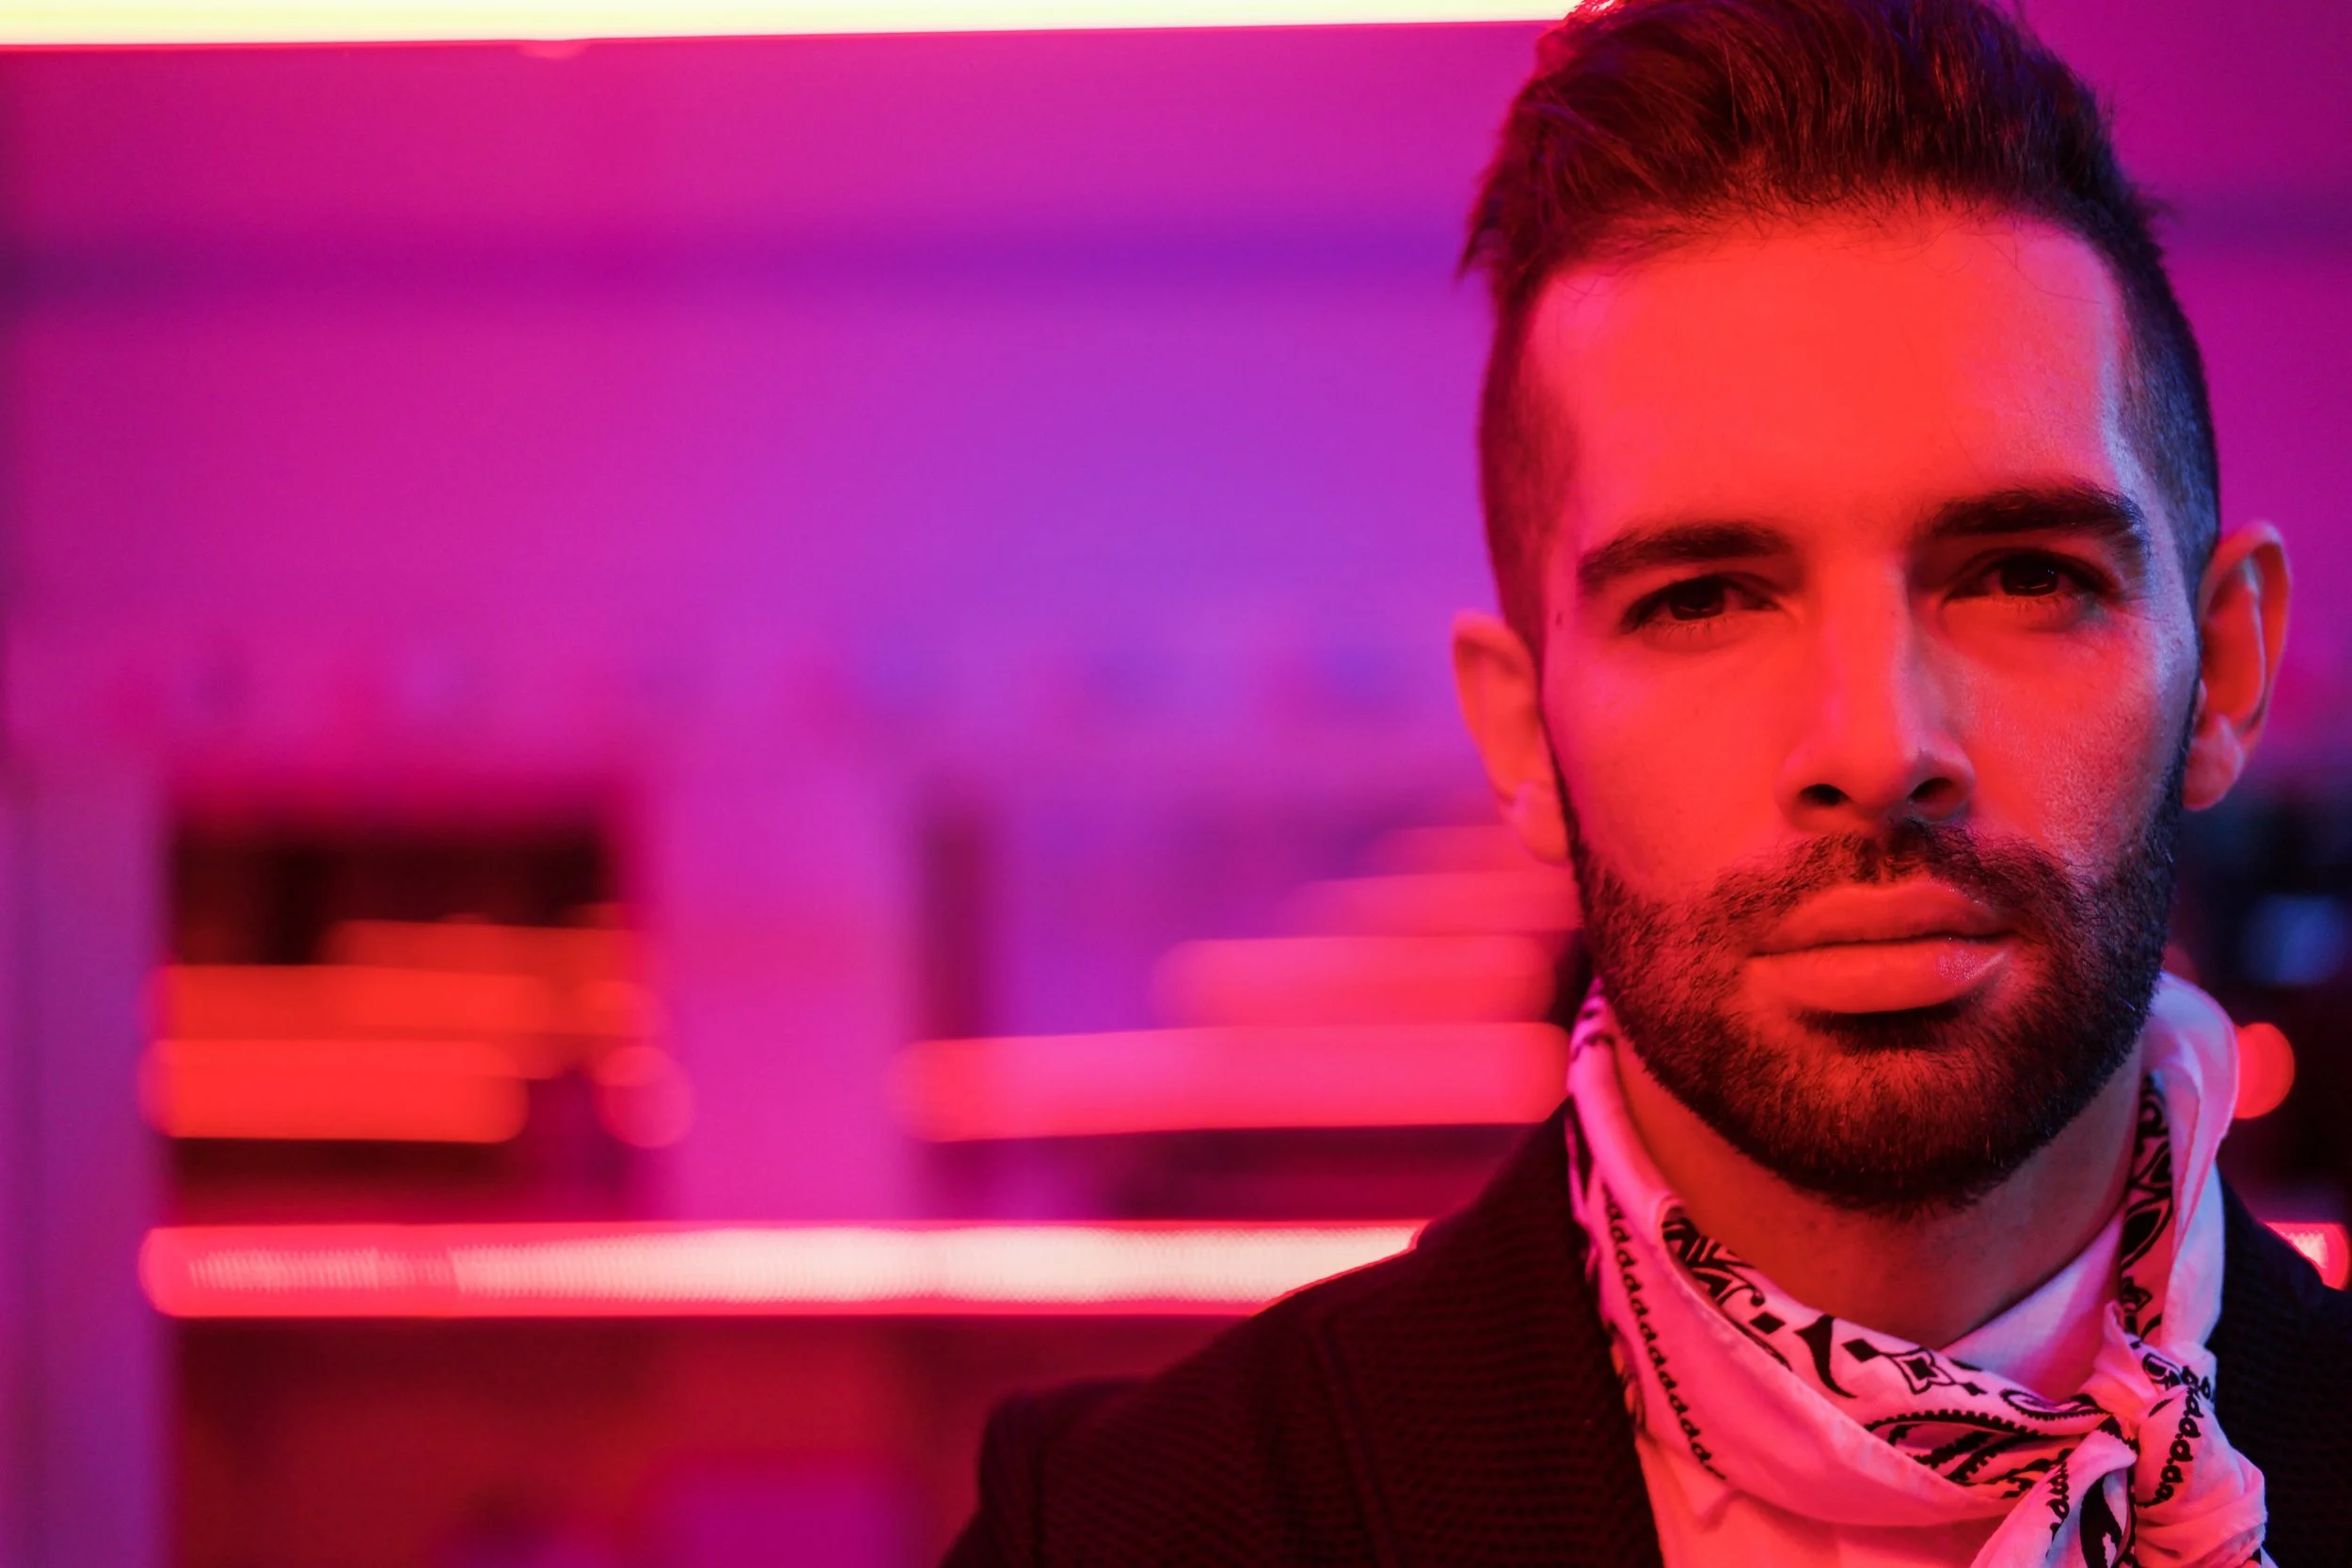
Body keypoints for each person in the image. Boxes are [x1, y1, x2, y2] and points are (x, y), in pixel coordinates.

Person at [945, 0, 2350, 1560]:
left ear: (2227, 663)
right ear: (1523, 735)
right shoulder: (1136, 1532)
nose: (1877, 748)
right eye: (1703, 600)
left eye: (2023, 575)